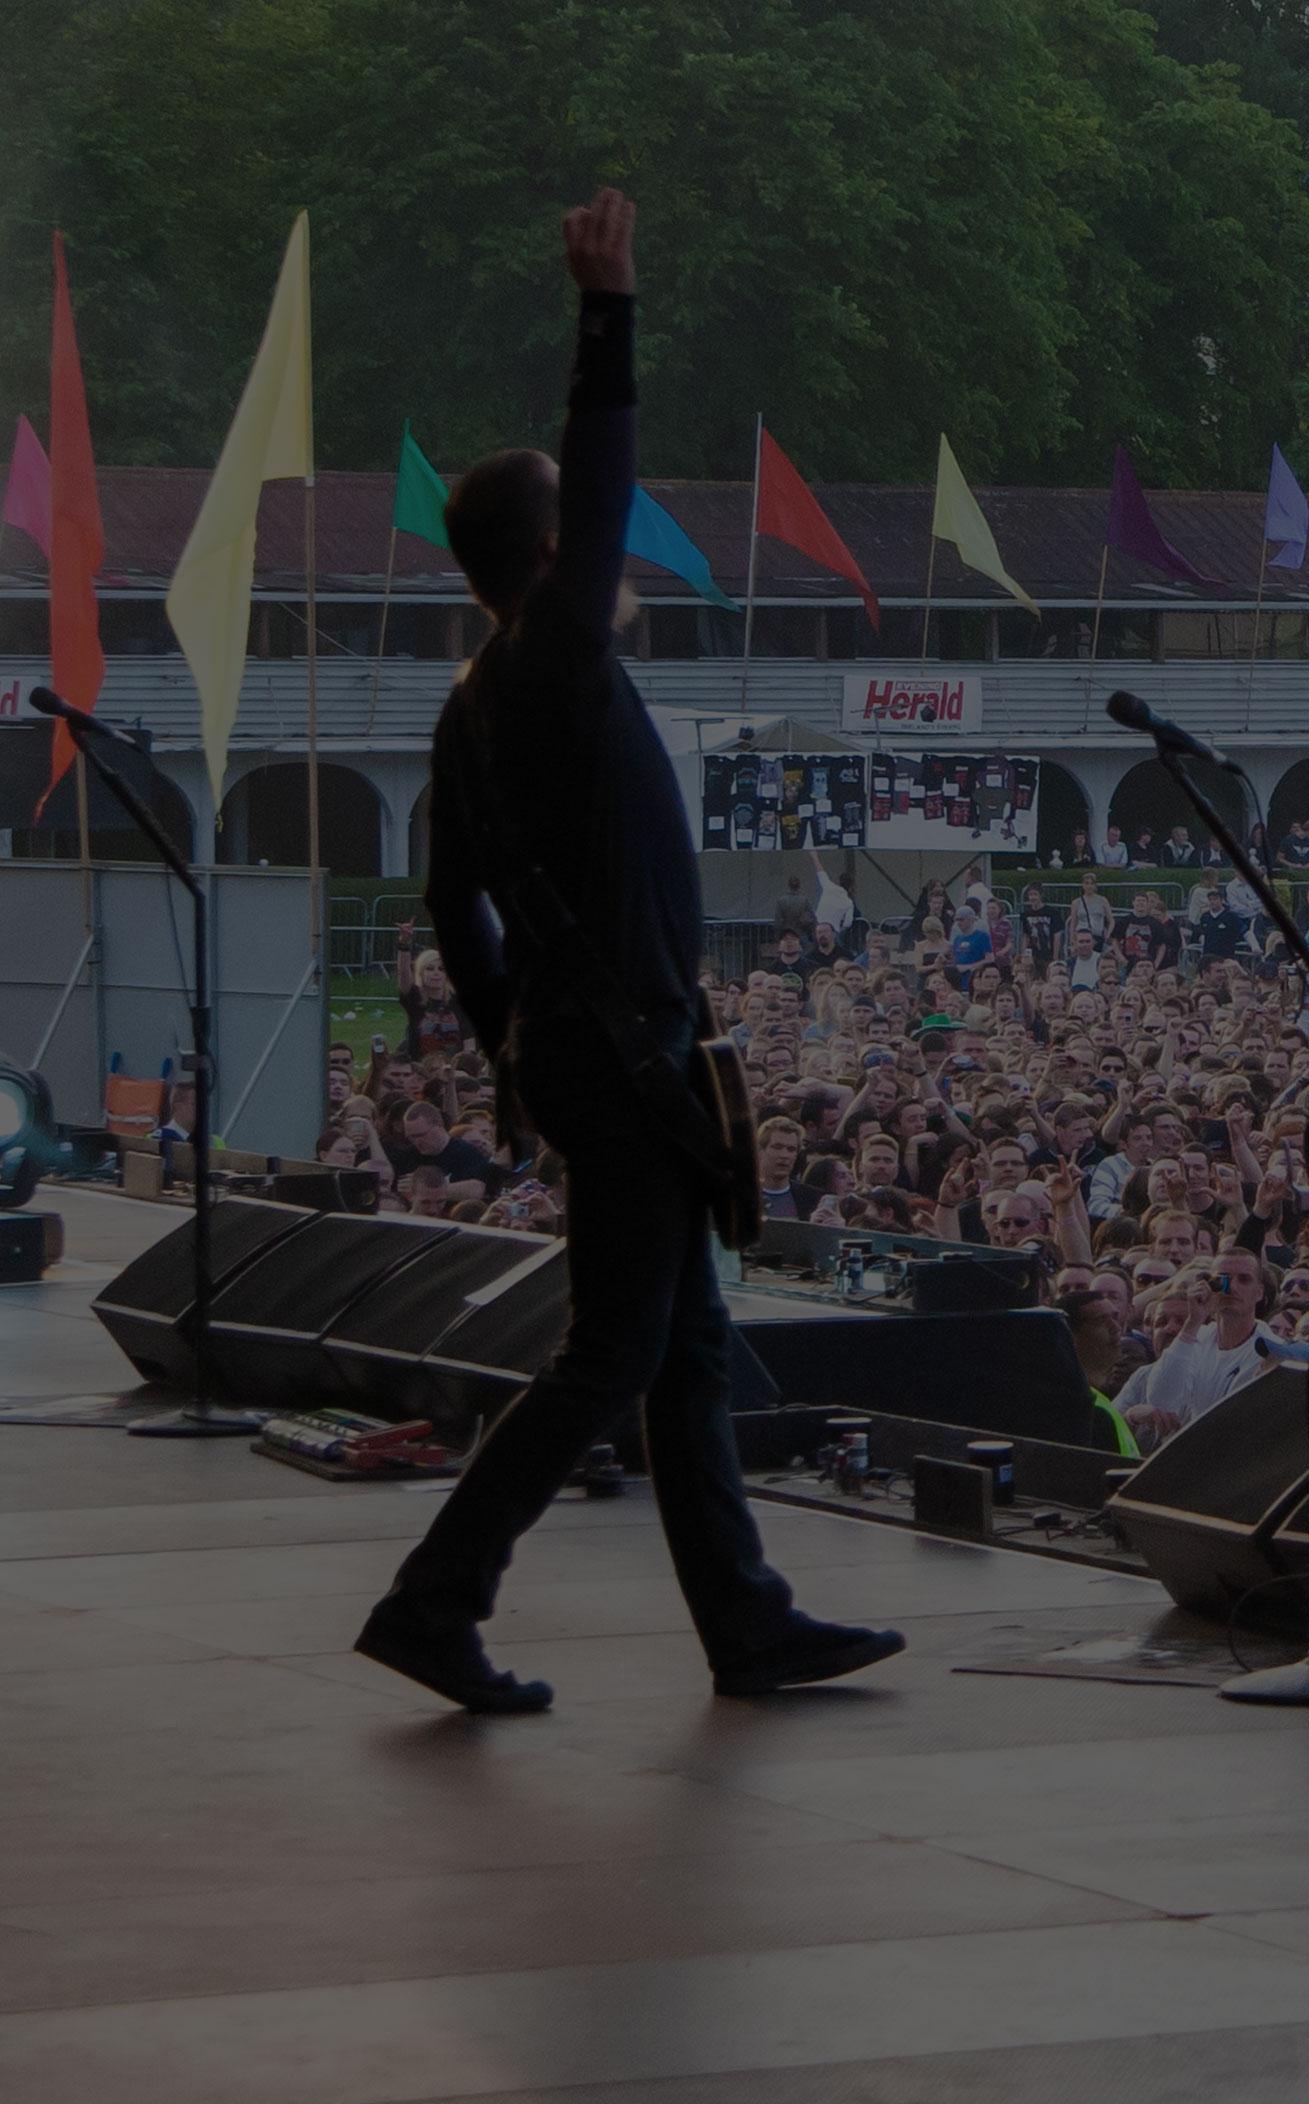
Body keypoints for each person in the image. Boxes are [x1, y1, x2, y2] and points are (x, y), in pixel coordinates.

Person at [354, 191, 900, 1714]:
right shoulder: (552, 661)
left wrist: (518, 1030)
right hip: (628, 1049)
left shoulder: (469, 710)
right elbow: (601, 485)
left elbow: (455, 905)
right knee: (614, 1356)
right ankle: (434, 1596)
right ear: (548, 554)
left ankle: (746, 1622)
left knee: (683, 1354)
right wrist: (610, 313)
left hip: (588, 1049)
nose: (619, 551)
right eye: (588, 538)